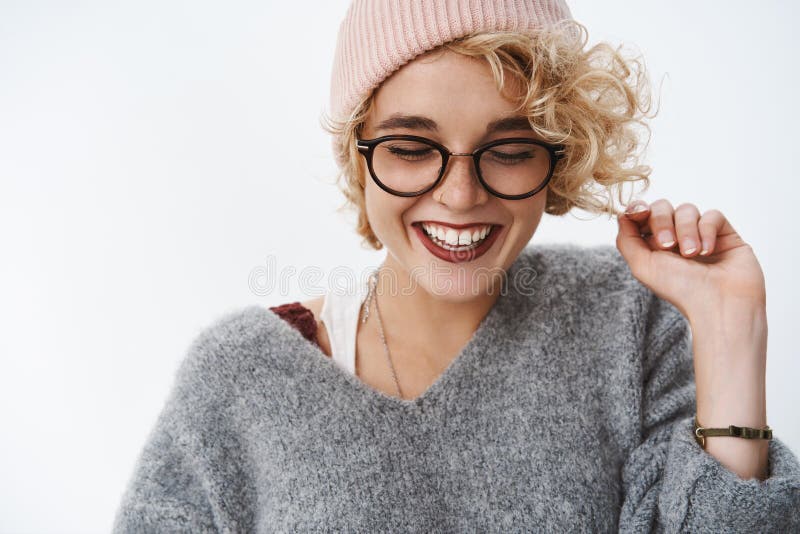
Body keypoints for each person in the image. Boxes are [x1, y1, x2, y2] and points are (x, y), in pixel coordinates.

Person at [112, 1, 800, 531]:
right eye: (413, 146)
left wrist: (730, 333)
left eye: (509, 149)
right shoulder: (239, 376)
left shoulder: (632, 322)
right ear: (358, 155)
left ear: (559, 157)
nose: (461, 196)